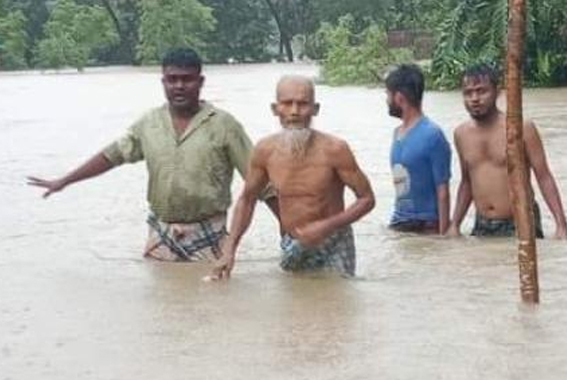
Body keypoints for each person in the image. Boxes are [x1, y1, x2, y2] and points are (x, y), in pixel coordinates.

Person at [27, 47, 270, 261]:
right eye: (172, 79)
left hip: (210, 232)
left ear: (200, 81)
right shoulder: (149, 124)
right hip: (160, 234)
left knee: (211, 304)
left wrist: (289, 228)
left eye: (187, 79)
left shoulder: (224, 125)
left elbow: (259, 180)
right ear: (163, 82)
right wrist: (65, 180)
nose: (179, 86)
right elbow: (112, 156)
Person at [210, 75, 375, 279]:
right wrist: (229, 251)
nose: (295, 112)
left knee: (336, 303)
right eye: (287, 104)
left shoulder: (335, 149)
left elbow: (367, 199)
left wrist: (326, 226)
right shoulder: (265, 151)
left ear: (315, 109)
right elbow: (247, 199)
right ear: (275, 109)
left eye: (303, 104)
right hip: (292, 241)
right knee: (294, 304)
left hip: (334, 241)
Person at [448, 63, 567, 240]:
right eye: (468, 93)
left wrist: (561, 225)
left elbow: (544, 176)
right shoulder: (461, 134)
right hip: (482, 223)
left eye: (481, 91)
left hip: (520, 221)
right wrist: (455, 225)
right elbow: (467, 182)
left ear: (497, 92)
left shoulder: (521, 128)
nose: (474, 98)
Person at [385, 64, 452, 235]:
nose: (387, 101)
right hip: (399, 221)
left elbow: (442, 190)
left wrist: (443, 236)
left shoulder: (433, 135)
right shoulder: (396, 134)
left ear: (399, 98)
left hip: (426, 225)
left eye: (388, 95)